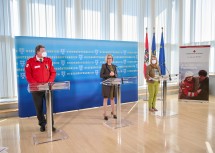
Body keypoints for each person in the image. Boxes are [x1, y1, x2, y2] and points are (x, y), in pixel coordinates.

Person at [25, 45, 56, 132]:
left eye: (45, 51)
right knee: (39, 108)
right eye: (43, 51)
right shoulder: (30, 62)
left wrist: (49, 82)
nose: (44, 52)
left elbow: (53, 72)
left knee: (49, 107)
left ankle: (50, 125)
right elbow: (28, 75)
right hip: (36, 89)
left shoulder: (48, 60)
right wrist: (36, 85)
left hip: (48, 88)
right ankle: (42, 124)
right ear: (37, 52)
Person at [100, 54, 118, 120]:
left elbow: (116, 74)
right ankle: (105, 114)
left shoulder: (114, 66)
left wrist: (114, 74)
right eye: (108, 58)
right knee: (105, 99)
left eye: (110, 58)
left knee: (112, 99)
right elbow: (101, 75)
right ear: (106, 59)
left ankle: (113, 112)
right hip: (106, 85)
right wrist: (109, 74)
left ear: (112, 59)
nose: (109, 59)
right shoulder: (104, 66)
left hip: (113, 84)